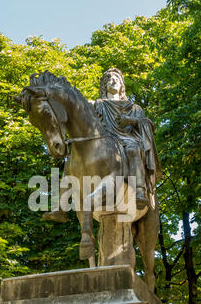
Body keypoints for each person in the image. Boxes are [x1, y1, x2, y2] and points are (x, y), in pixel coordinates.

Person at [42, 68, 161, 222]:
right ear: (104, 85)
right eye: (110, 79)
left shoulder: (133, 108)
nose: (114, 81)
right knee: (72, 161)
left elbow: (148, 124)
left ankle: (139, 191)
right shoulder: (96, 104)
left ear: (122, 85)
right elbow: (80, 116)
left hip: (126, 139)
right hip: (104, 142)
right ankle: (61, 206)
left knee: (133, 149)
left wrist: (130, 121)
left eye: (117, 79)